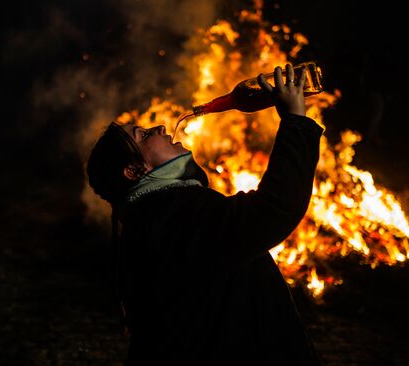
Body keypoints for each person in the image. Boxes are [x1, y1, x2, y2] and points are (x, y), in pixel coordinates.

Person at [86, 64, 324, 365]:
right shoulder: (172, 216)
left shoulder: (152, 217)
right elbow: (272, 210)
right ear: (134, 170)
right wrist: (294, 121)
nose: (159, 128)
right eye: (144, 136)